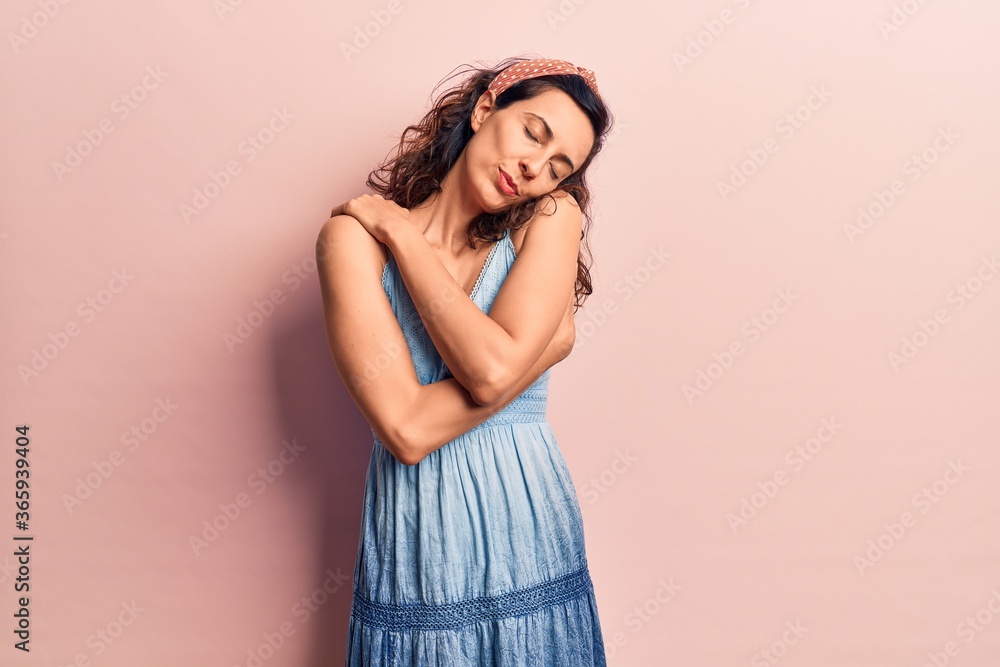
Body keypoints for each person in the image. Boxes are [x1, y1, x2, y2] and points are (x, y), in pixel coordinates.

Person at [316, 55, 613, 666]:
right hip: (419, 534)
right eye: (534, 132)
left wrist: (401, 234)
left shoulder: (551, 217)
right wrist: (544, 349)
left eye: (560, 166)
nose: (536, 168)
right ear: (485, 109)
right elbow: (406, 429)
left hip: (529, 523)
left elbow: (491, 373)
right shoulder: (351, 241)